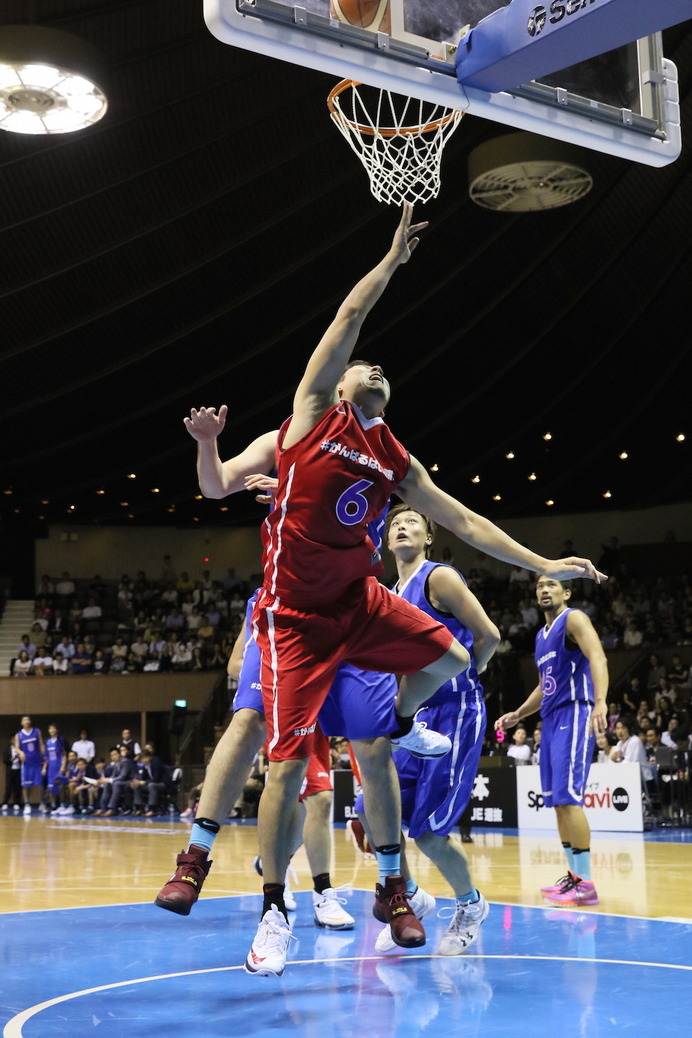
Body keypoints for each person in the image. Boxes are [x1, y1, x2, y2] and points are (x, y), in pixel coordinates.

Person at [164, 207, 606, 977]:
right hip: (295, 620)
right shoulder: (307, 418)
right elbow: (349, 313)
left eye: (382, 371)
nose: (374, 367)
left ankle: (398, 780)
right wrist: (394, 260)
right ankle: (273, 911)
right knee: (287, 766)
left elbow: (465, 521)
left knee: (447, 655)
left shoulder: (395, 459)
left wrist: (547, 565)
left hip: (357, 609)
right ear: (339, 383)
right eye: (363, 366)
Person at [361, 504, 498, 956]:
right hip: (414, 717)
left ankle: (471, 906)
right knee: (369, 809)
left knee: (430, 833)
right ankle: (413, 895)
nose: (401, 526)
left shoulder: (439, 578)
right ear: (385, 538)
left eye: (412, 522)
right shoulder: (388, 592)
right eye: (395, 523)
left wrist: (462, 678)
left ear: (428, 538)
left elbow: (489, 635)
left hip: (456, 711)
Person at [495, 575, 608, 907]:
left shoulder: (573, 619)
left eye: (552, 585)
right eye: (540, 585)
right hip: (552, 716)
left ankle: (585, 882)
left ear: (566, 592)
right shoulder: (541, 637)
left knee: (570, 799)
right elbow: (545, 686)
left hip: (575, 712)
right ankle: (573, 879)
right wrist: (518, 714)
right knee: (558, 802)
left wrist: (600, 701)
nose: (544, 590)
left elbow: (598, 656)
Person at [14, 716, 46, 816]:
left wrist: (44, 757)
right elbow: (16, 747)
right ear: (21, 723)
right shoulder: (19, 734)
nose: (26, 721)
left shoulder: (36, 731)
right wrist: (20, 752)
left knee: (40, 783)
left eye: (28, 720)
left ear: (30, 722)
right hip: (26, 763)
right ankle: (27, 804)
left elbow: (41, 744)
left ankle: (42, 802)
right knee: (26, 785)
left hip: (37, 761)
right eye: (24, 720)